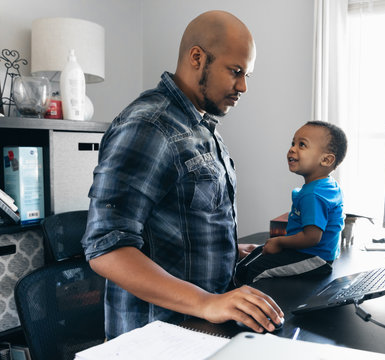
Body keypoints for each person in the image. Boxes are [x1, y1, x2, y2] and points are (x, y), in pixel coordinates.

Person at [81, 10, 283, 339]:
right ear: (196, 57)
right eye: (235, 71)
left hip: (202, 327)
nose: (243, 86)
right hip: (159, 337)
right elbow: (106, 249)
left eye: (247, 74)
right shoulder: (149, 125)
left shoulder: (201, 127)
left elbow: (180, 219)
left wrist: (228, 248)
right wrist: (206, 302)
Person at [235, 121, 347, 284]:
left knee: (254, 270)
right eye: (293, 143)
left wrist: (279, 241)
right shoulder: (324, 185)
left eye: (302, 145)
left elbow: (312, 238)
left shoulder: (314, 194)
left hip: (314, 258)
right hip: (308, 252)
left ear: (326, 160)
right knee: (254, 255)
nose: (292, 149)